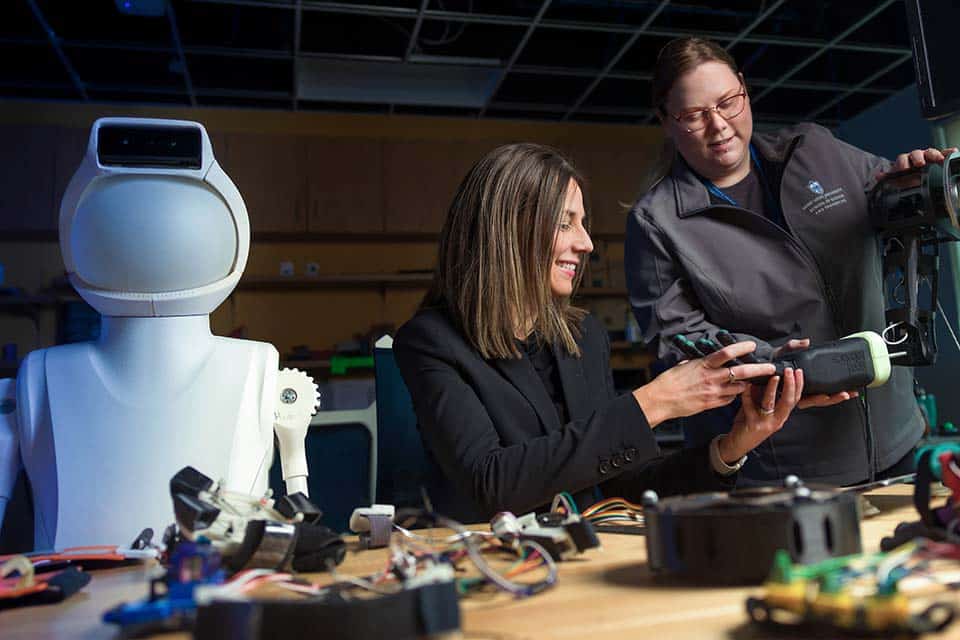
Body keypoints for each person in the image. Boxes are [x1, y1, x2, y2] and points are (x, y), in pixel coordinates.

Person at [394, 143, 804, 517]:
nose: (587, 243)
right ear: (508, 228)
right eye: (566, 223)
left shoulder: (583, 336)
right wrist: (655, 402)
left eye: (583, 223)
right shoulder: (431, 341)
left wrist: (730, 448)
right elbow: (490, 483)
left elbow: (621, 485)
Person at [625, 36, 954, 487]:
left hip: (896, 437)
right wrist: (777, 364)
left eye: (727, 102)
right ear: (666, 120)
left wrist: (921, 176)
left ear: (744, 88)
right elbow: (676, 341)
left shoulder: (817, 149)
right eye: (693, 115)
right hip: (787, 467)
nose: (718, 125)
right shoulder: (658, 222)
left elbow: (890, 199)